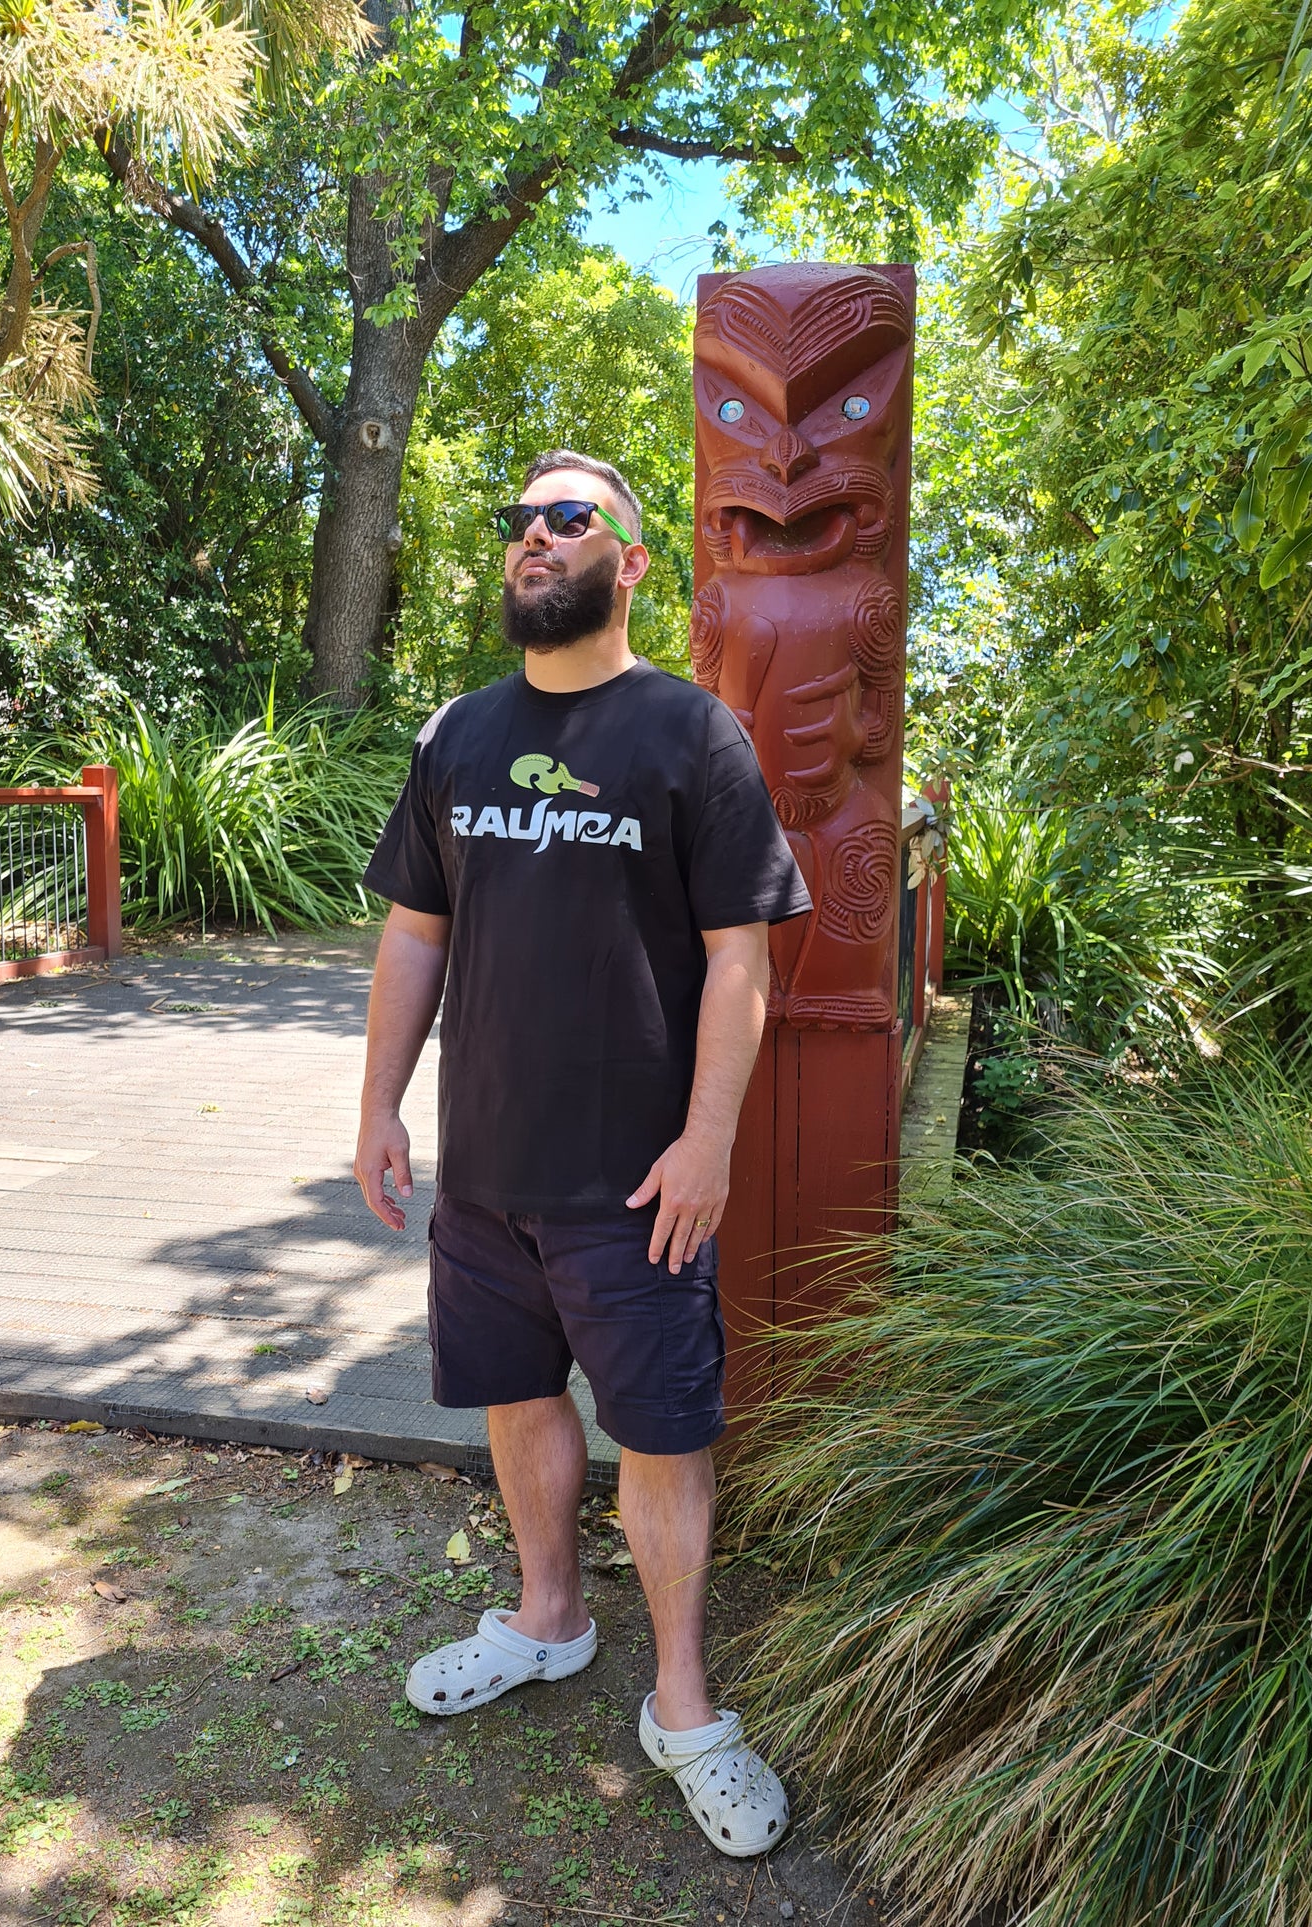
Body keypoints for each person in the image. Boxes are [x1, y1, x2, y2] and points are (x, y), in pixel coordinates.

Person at [355, 449, 812, 1859]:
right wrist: (378, 1106)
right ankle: (545, 1619)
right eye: (518, 518)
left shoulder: (691, 736)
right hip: (486, 1172)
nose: (531, 538)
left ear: (631, 561)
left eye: (567, 518)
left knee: (663, 1434)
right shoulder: (459, 735)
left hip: (636, 1184)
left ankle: (681, 1705)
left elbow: (743, 956)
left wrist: (707, 1142)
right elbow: (415, 933)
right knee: (512, 1397)